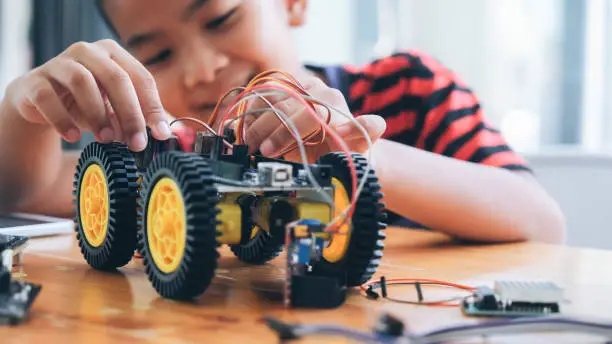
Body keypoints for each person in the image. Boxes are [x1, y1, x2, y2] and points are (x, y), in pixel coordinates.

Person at [0, 0, 565, 243]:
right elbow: (21, 192)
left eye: (221, 18)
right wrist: (18, 111)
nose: (202, 71)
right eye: (158, 55)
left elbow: (541, 223)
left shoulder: (409, 91)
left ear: (292, 4)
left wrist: (350, 148)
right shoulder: (174, 149)